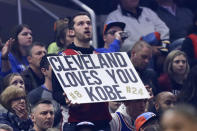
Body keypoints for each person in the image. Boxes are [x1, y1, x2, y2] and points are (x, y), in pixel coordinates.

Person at [53, 12, 112, 131]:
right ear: (71, 31)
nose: (86, 26)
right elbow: (56, 92)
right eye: (80, 23)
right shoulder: (62, 58)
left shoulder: (101, 57)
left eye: (89, 23)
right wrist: (67, 100)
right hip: (75, 121)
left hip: (103, 121)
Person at [27, 54, 61, 127]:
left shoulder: (69, 93)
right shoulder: (34, 95)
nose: (59, 72)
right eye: (55, 69)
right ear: (44, 71)